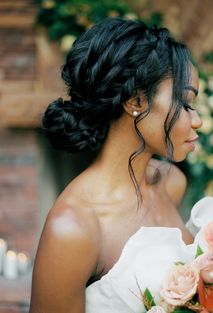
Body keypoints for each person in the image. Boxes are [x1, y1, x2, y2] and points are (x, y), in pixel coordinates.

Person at [29, 17, 202, 313]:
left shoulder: (171, 183)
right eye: (185, 103)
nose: (197, 120)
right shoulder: (72, 229)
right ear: (136, 101)